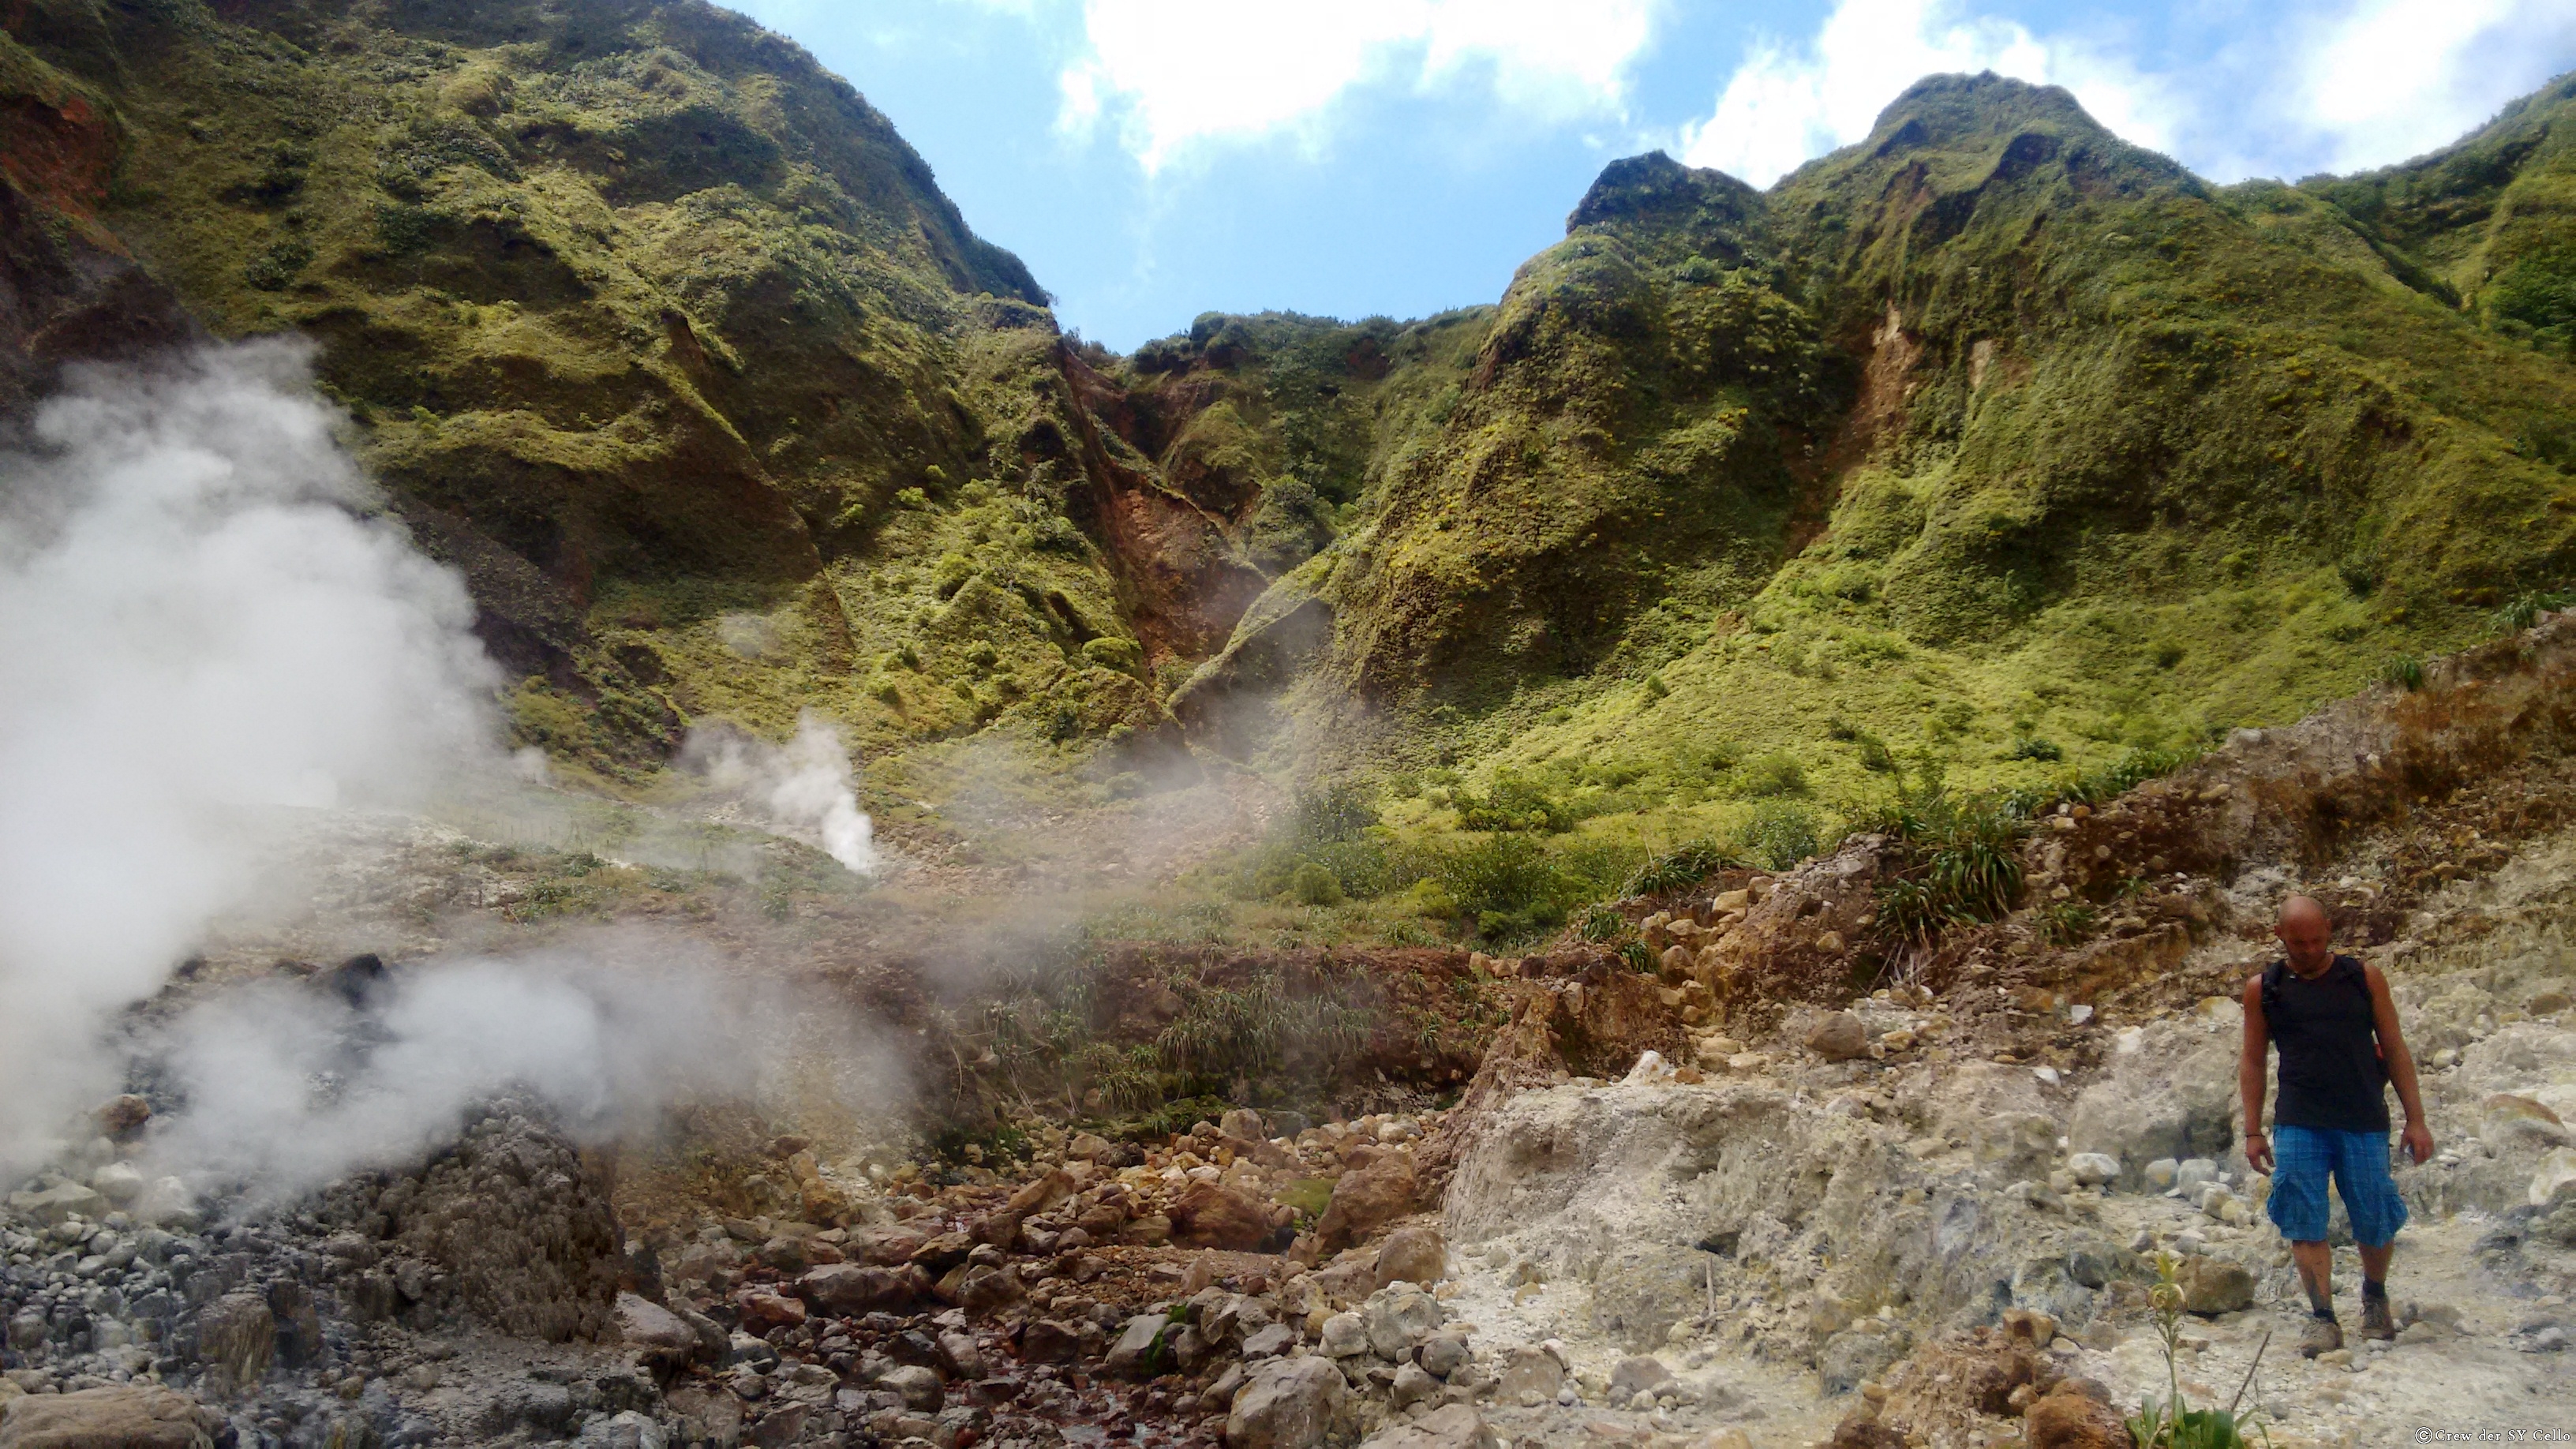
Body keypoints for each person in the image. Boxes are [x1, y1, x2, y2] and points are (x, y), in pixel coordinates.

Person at [2239, 895, 2434, 1357]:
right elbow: (2252, 1060)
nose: (2309, 949)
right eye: (2298, 941)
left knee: (2375, 1215)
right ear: (2279, 936)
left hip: (2362, 1116)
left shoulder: (2362, 978)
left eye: (2317, 940)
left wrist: (2416, 1119)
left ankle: (2374, 1295)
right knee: (2304, 1219)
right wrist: (2252, 1130)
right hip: (2300, 1119)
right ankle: (2322, 1317)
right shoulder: (2263, 988)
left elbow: (2395, 1046)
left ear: (2329, 930)